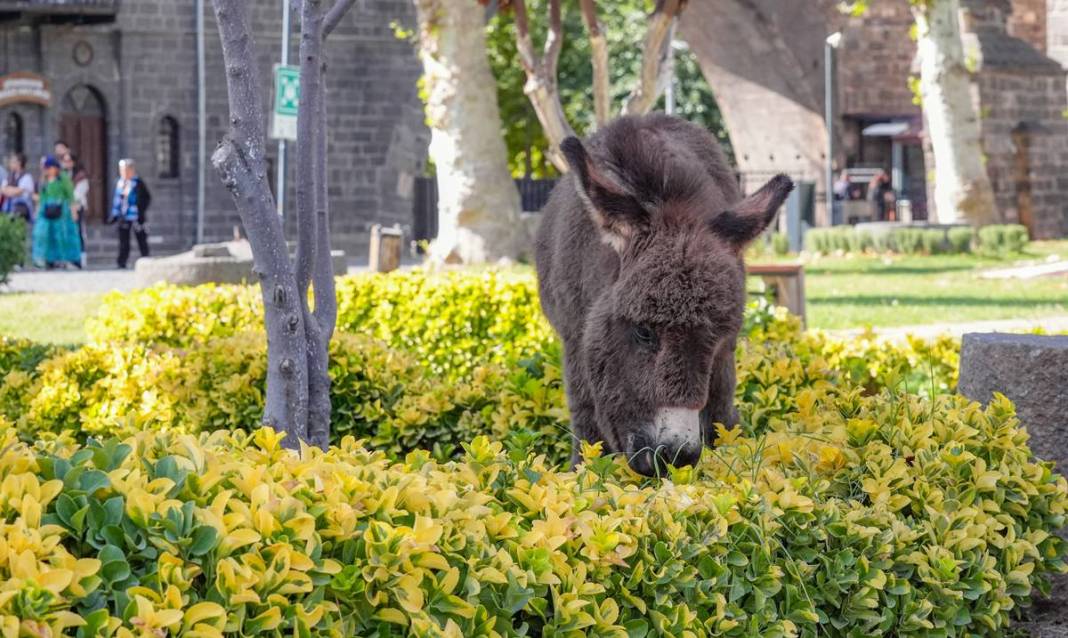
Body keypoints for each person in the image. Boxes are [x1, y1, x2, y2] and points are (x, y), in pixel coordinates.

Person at [31, 156, 80, 269]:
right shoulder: (44, 180)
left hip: (61, 211)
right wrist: (37, 211)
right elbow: (42, 197)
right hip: (46, 210)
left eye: (49, 167)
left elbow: (70, 195)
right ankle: (48, 259)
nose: (47, 170)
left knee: (62, 236)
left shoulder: (63, 178)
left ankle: (67, 260)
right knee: (45, 235)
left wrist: (73, 211)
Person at [109, 158, 151, 269]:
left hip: (136, 216)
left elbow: (146, 198)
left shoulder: (138, 183)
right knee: (123, 241)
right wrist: (115, 214)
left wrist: (140, 208)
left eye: (126, 170)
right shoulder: (119, 183)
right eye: (122, 170)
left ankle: (146, 259)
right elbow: (116, 199)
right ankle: (121, 262)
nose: (124, 173)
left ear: (132, 170)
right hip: (123, 216)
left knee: (141, 238)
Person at [63, 152, 90, 269]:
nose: (66, 163)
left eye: (69, 161)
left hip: (77, 207)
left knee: (78, 232)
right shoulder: (63, 175)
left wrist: (70, 199)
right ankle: (69, 259)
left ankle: (80, 258)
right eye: (65, 161)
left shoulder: (80, 176)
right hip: (65, 208)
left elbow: (79, 193)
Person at [1, 153, 35, 222]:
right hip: (8, 208)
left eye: (13, 162)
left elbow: (18, 191)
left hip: (21, 209)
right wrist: (12, 190)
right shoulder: (9, 176)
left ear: (19, 163)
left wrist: (9, 189)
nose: (10, 163)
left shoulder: (27, 177)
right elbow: (2, 189)